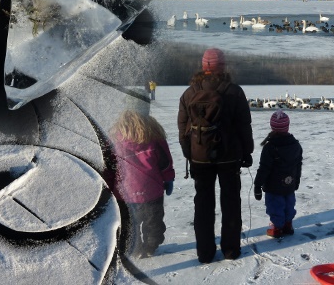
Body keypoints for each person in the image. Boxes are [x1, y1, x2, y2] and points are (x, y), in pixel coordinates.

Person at [177, 48, 253, 263]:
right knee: (230, 202)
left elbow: (182, 128)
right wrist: (247, 151)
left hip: (199, 156)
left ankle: (205, 252)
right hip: (229, 156)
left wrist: (189, 152)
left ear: (203, 66)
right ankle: (231, 250)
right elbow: (243, 125)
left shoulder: (189, 93)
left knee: (203, 203)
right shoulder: (234, 91)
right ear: (222, 66)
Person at [108, 110, 175, 259]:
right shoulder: (154, 135)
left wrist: (108, 185)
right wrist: (168, 178)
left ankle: (137, 248)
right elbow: (165, 162)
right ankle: (151, 246)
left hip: (124, 192)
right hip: (151, 190)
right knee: (154, 223)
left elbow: (109, 166)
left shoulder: (113, 139)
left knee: (130, 224)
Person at [254, 110, 303, 238]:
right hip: (289, 183)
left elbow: (263, 168)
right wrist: (296, 181)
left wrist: (257, 185)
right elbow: (298, 166)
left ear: (272, 126)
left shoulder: (270, 147)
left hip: (273, 187)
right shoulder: (296, 145)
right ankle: (287, 225)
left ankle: (277, 228)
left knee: (275, 205)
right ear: (287, 126)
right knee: (289, 204)